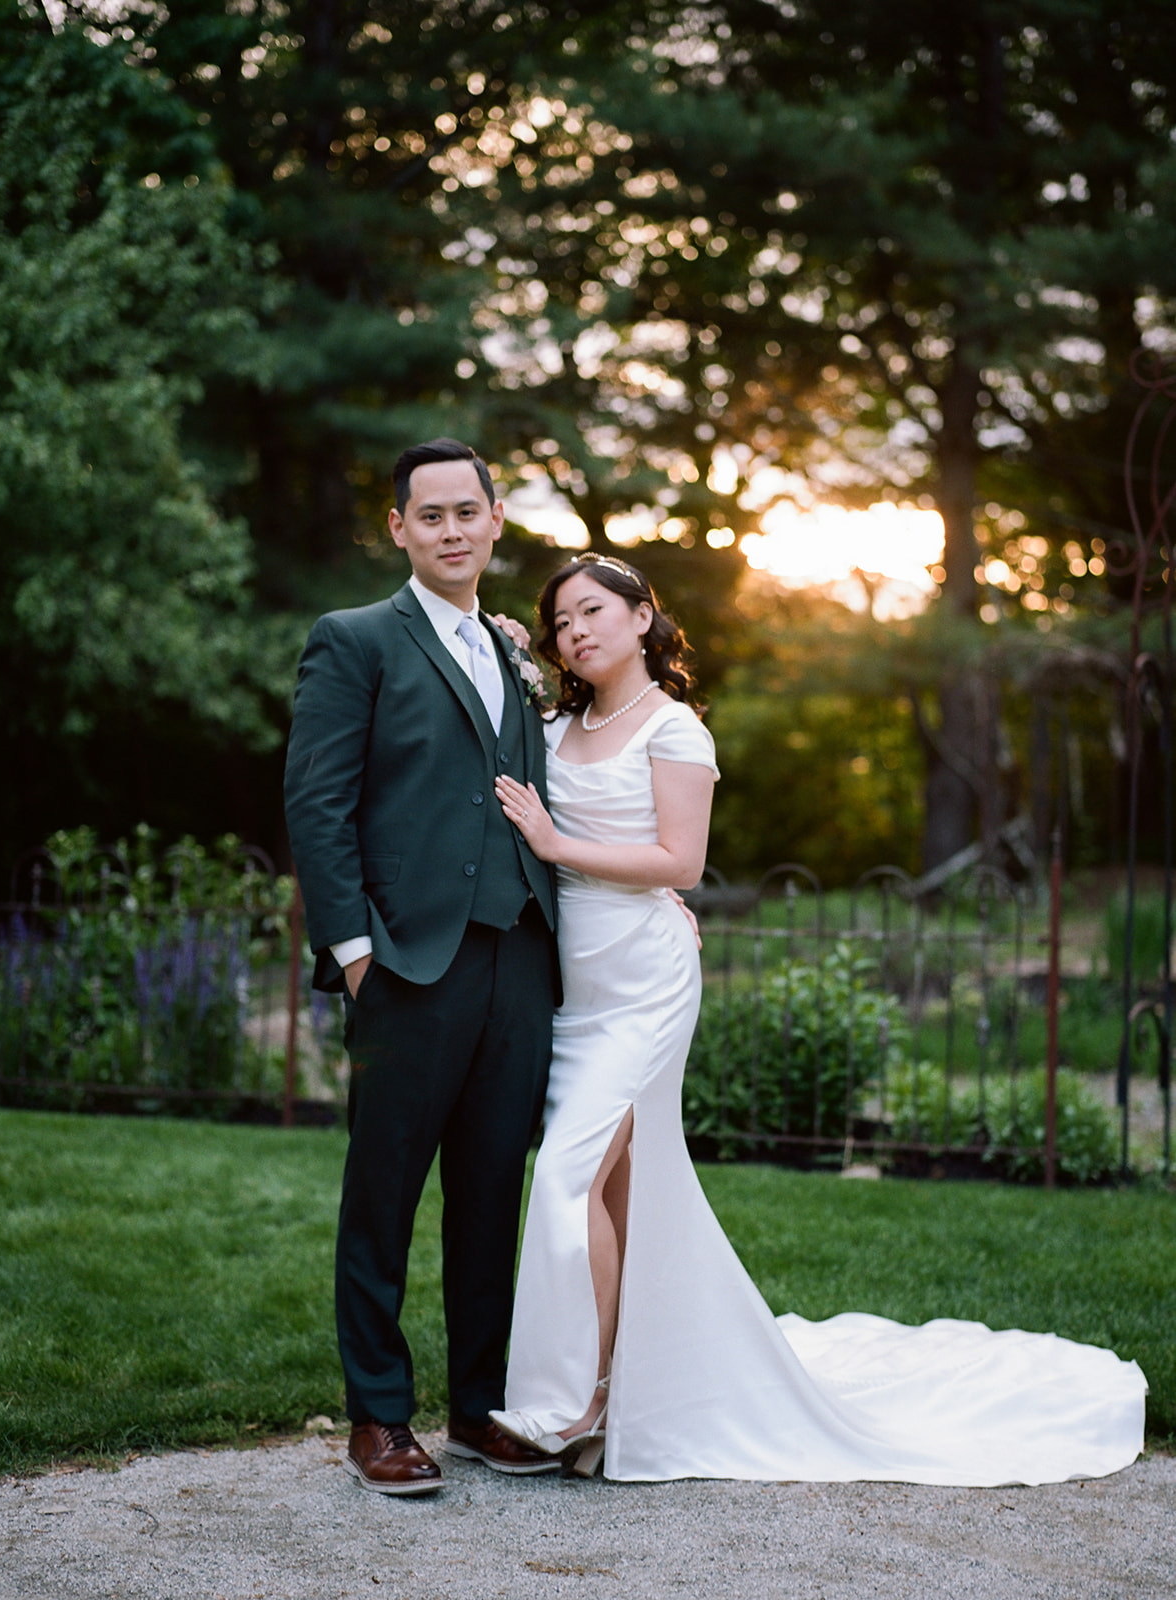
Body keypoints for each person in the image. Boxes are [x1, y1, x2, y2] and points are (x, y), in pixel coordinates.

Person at [488, 552, 1148, 1486]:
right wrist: (503, 642)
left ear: (642, 618)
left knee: (564, 1180)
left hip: (644, 982)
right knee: (620, 1187)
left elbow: (679, 863)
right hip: (574, 989)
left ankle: (572, 1402)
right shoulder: (554, 725)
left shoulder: (673, 731)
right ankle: (630, 1387)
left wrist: (558, 843)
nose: (575, 632)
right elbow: (488, 696)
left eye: (593, 611)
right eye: (559, 624)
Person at [284, 438, 563, 1496]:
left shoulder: (514, 649)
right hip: (406, 961)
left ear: (496, 521)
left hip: (519, 961)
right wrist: (355, 952)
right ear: (399, 529)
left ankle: (479, 1409)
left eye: (467, 511)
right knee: (384, 1192)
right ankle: (378, 1416)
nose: (451, 529)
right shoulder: (354, 639)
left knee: (494, 1190)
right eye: (428, 514)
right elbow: (316, 801)